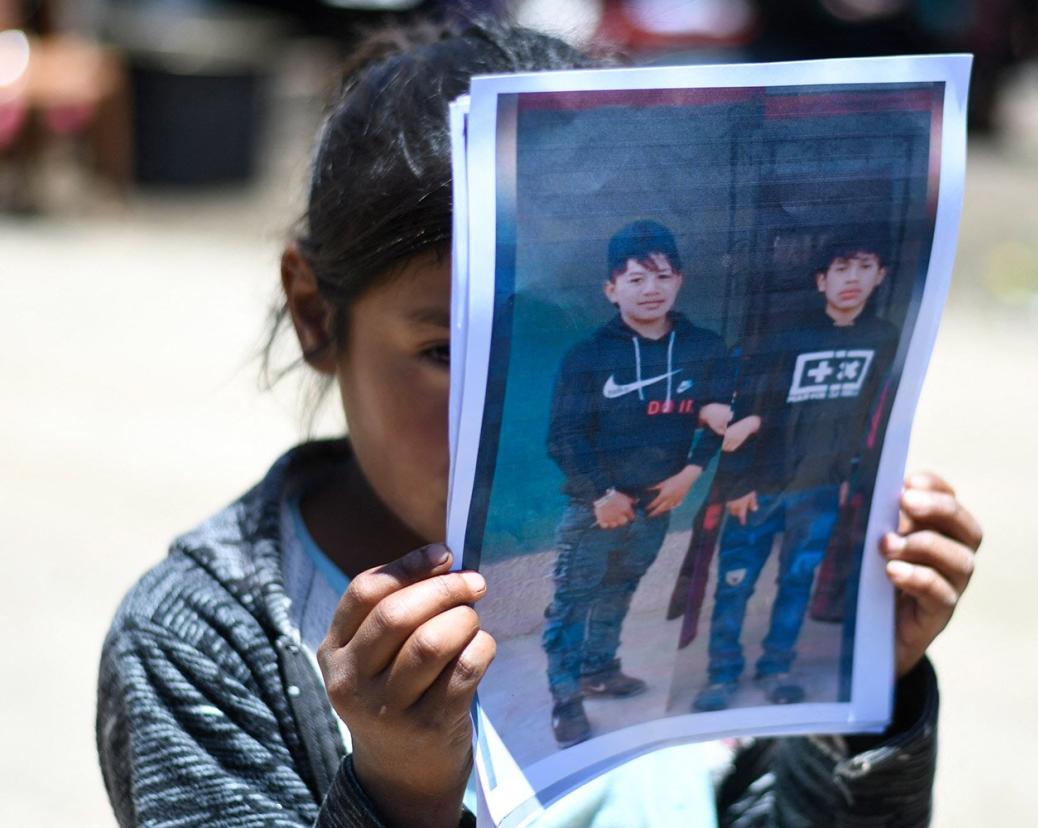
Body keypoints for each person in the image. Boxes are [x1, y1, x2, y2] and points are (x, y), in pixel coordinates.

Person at [96, 20, 983, 828]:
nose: (495, 409)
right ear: (315, 314)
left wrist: (870, 688)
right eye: (447, 354)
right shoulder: (207, 641)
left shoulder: (692, 574)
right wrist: (400, 790)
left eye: (542, 348)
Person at [694, 229, 902, 712]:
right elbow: (747, 413)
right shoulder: (786, 338)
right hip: (760, 490)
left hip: (821, 490)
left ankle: (777, 667)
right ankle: (721, 675)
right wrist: (739, 483)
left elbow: (868, 414)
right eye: (842, 269)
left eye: (865, 267)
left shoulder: (882, 338)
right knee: (735, 583)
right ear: (821, 280)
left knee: (797, 582)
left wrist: (851, 473)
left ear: (881, 276)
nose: (853, 279)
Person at [543, 219, 732, 747]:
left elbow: (724, 415)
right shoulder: (588, 356)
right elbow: (562, 436)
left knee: (619, 590)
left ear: (679, 281)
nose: (650, 290)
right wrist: (602, 494)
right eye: (634, 279)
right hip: (594, 508)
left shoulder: (705, 348)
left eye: (662, 277)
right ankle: (566, 697)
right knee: (572, 602)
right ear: (611, 289)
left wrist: (690, 475)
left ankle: (599, 669)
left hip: (658, 504)